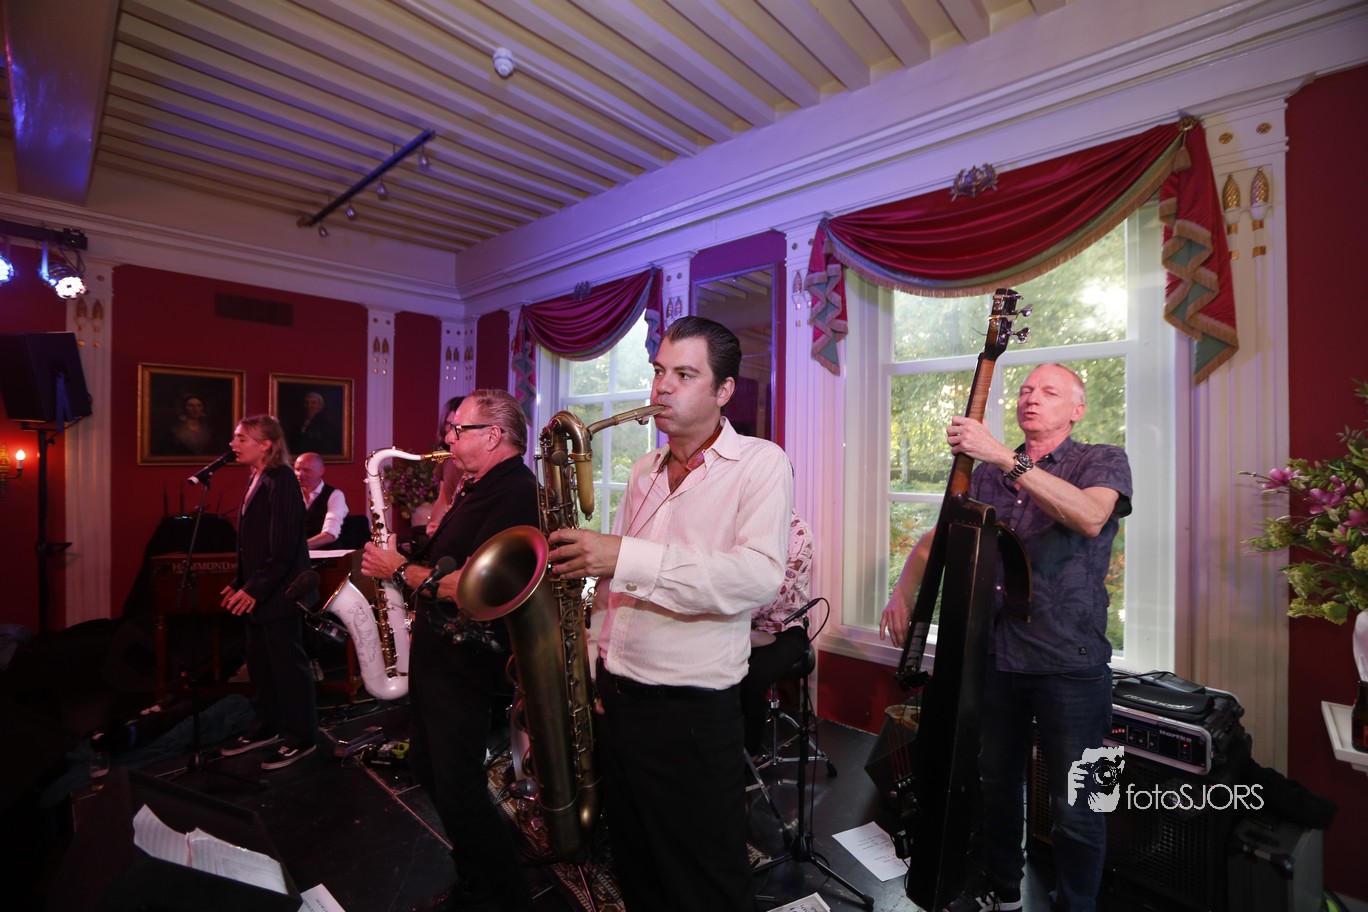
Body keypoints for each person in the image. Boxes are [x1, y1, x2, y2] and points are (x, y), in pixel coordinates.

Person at [547, 315, 792, 911]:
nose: (661, 387)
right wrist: (594, 662)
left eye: (684, 374)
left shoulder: (761, 462)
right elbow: (622, 587)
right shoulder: (644, 470)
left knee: (707, 882)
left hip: (691, 715)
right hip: (619, 699)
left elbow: (757, 576)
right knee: (639, 867)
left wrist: (623, 554)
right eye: (659, 371)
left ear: (724, 390)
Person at [879, 363, 1132, 912]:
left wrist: (1000, 455)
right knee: (996, 783)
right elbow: (938, 537)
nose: (1031, 398)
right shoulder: (988, 474)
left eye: (1049, 391)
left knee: (1079, 803)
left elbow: (1090, 517)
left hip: (1072, 661)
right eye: (1025, 390)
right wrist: (902, 592)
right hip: (995, 656)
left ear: (1077, 409)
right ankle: (1004, 892)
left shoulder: (1102, 458)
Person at [359, 389, 537, 912]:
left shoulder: (515, 492)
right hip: (440, 652)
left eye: (459, 429)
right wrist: (410, 554)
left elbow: (474, 587)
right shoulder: (475, 486)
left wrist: (398, 569)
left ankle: (506, 896)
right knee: (427, 767)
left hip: (468, 659)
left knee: (459, 788)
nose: (448, 437)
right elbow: (446, 559)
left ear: (494, 435)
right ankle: (475, 876)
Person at [218, 415, 319, 770]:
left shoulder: (283, 480)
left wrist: (255, 589)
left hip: (280, 594)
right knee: (260, 667)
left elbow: (284, 548)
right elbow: (254, 544)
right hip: (261, 591)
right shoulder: (257, 477)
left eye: (241, 438)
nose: (233, 444)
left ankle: (302, 738)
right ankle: (266, 727)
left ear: (265, 444)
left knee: (288, 668)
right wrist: (240, 582)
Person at [741, 510, 814, 759]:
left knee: (752, 678)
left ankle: (749, 755)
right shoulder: (749, 528)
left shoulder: (799, 535)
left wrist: (730, 615)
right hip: (748, 626)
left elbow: (775, 592)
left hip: (787, 630)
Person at [425, 396, 466, 538]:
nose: (450, 431)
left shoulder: (471, 459)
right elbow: (443, 497)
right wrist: (433, 524)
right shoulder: (446, 456)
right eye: (448, 424)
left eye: (456, 425)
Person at [293, 452, 348, 550]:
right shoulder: (290, 493)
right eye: (297, 469)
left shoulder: (335, 495)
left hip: (326, 553)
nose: (300, 474)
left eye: (306, 470)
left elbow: (330, 534)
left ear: (321, 471)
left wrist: (300, 548)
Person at [289, 390, 341, 456]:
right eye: (307, 402)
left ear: (320, 406)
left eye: (313, 403)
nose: (309, 405)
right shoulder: (299, 425)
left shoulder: (327, 427)